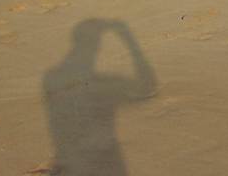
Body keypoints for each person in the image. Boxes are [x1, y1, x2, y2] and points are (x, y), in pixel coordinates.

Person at [43, 19, 157, 175]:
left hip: (72, 163)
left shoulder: (51, 77)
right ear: (98, 48)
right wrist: (130, 41)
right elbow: (148, 87)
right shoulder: (106, 83)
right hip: (105, 163)